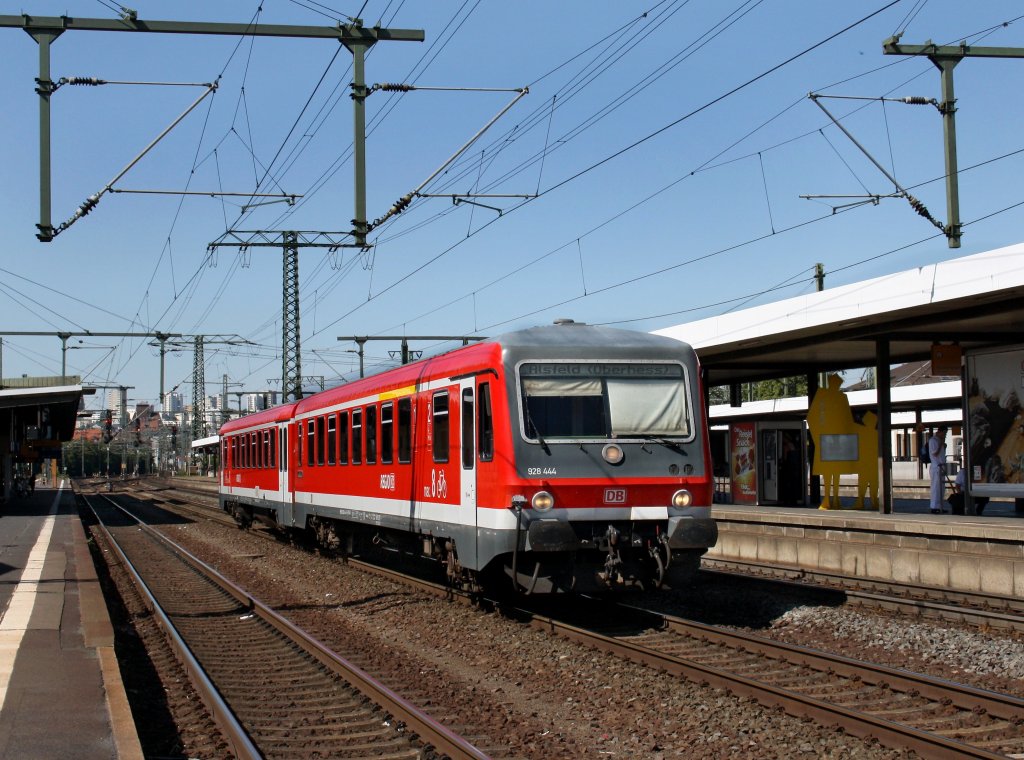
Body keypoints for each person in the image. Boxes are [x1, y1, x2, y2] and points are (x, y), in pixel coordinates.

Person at [928, 426, 947, 514]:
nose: (945, 435)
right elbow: (935, 453)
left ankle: (940, 506)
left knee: (942, 488)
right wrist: (940, 444)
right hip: (936, 466)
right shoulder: (933, 440)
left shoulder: (939, 441)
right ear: (940, 432)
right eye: (944, 433)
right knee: (936, 487)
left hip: (941, 466)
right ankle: (934, 506)